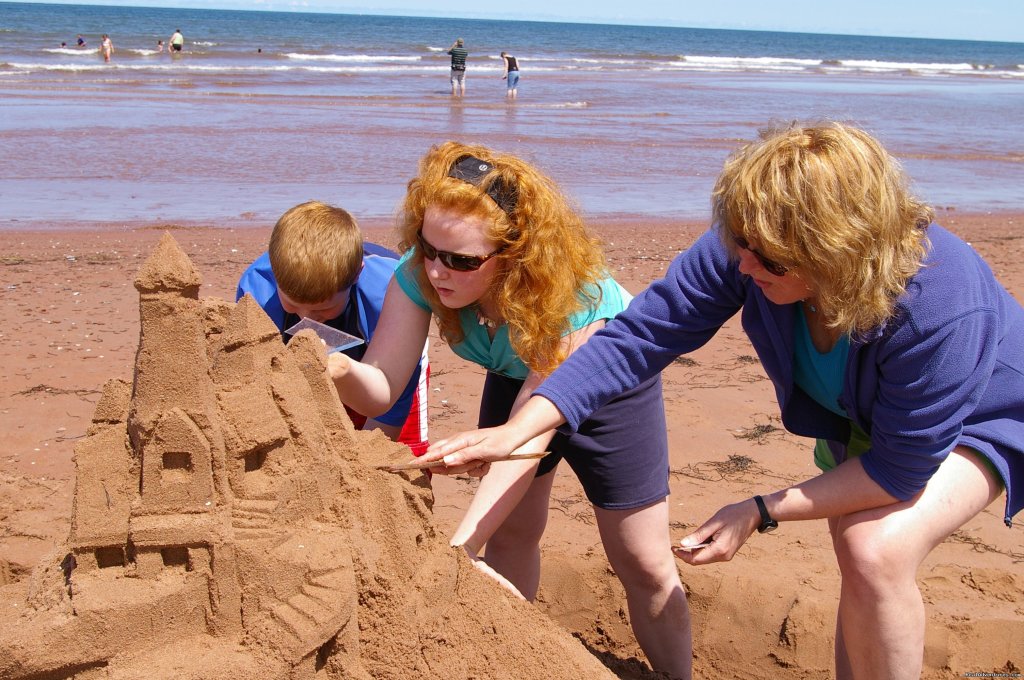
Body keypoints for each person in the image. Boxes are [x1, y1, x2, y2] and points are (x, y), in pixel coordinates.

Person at [426, 122, 1024, 680]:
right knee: (855, 546)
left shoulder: (941, 307)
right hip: (867, 411)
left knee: (874, 548)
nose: (742, 265)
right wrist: (520, 430)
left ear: (837, 253)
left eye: (765, 258)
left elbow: (899, 469)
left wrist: (758, 509)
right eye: (739, 242)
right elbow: (642, 334)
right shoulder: (755, 243)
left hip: (986, 413)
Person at [328, 141, 692, 679]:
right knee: (512, 534)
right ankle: (508, 659)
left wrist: (459, 547)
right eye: (428, 249)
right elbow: (381, 387)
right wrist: (338, 369)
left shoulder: (568, 296)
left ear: (515, 254)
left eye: (461, 261)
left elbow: (527, 437)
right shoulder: (420, 275)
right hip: (515, 377)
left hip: (611, 390)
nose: (438, 271)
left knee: (642, 560)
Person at [236, 201, 429, 455]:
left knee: (398, 458)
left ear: (358, 275)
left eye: (323, 309)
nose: (308, 320)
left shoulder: (391, 293)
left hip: (386, 365)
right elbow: (257, 381)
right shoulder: (257, 290)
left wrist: (370, 461)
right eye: (293, 305)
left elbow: (392, 401)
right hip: (305, 368)